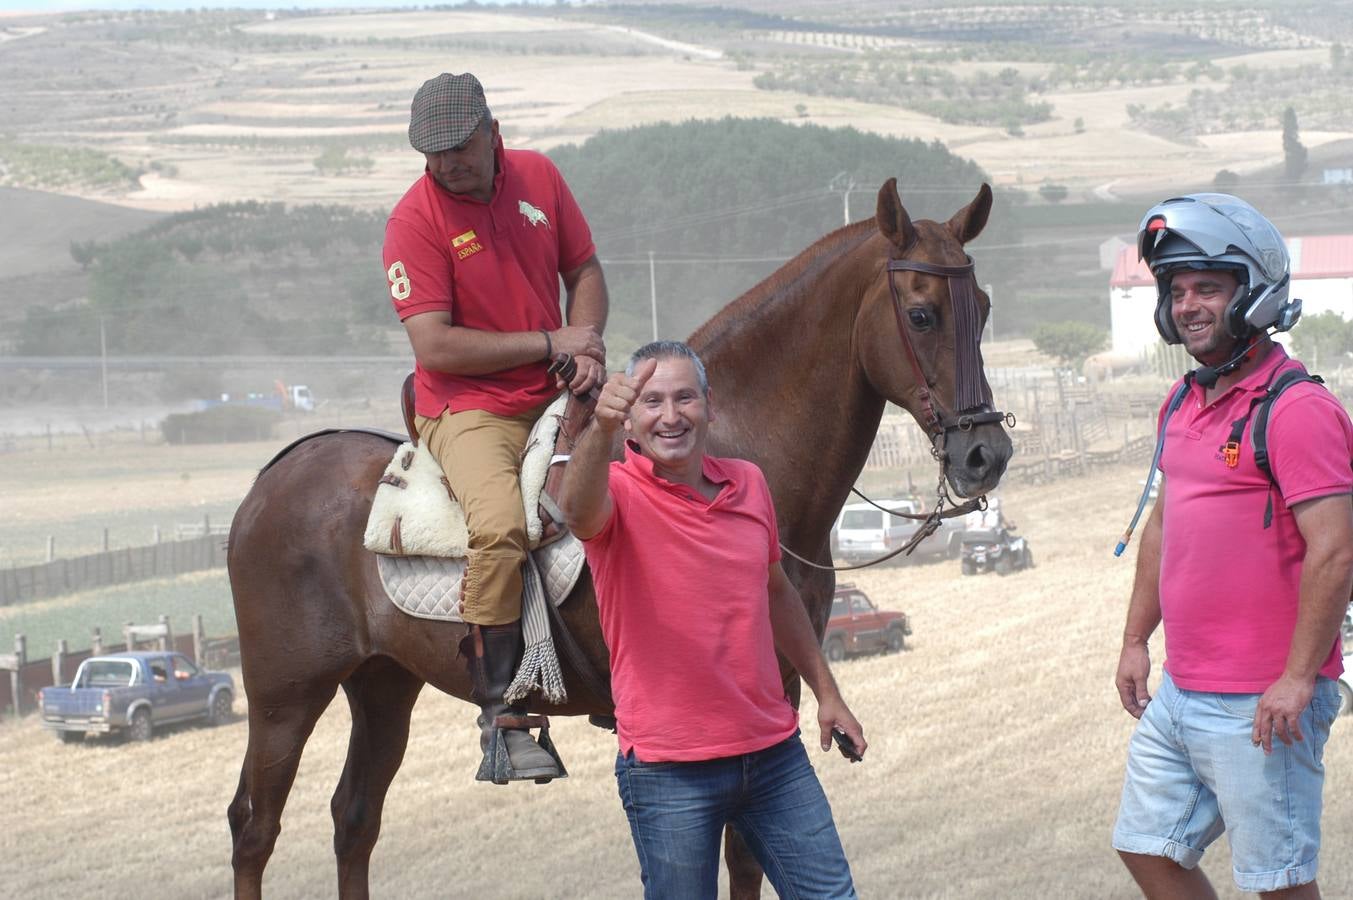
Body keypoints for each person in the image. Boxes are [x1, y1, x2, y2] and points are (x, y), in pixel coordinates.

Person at [559, 340, 865, 899]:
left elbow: (776, 593)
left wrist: (827, 692)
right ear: (629, 417)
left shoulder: (749, 483)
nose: (671, 416)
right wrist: (597, 431)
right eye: (651, 401)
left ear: (709, 406)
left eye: (684, 398)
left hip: (773, 755)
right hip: (669, 770)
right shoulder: (617, 494)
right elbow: (575, 509)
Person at [1112, 193, 1353, 898]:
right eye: (1176, 290)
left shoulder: (1298, 410)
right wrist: (1135, 640)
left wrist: (1297, 678)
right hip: (1183, 689)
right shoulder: (1181, 402)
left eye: (1207, 288)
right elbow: (1164, 521)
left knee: (1276, 884)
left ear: (1253, 294)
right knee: (1146, 849)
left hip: (1262, 695)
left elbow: (1335, 552)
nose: (1187, 305)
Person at [382, 72, 609, 782]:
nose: (445, 161)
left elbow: (586, 268)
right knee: (501, 528)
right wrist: (551, 344)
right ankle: (504, 716)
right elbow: (436, 347)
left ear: (490, 129)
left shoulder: (538, 175)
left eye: (457, 145)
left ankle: (626, 665)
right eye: (432, 151)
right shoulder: (412, 221)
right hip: (468, 406)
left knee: (646, 482)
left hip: (557, 383)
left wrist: (589, 343)